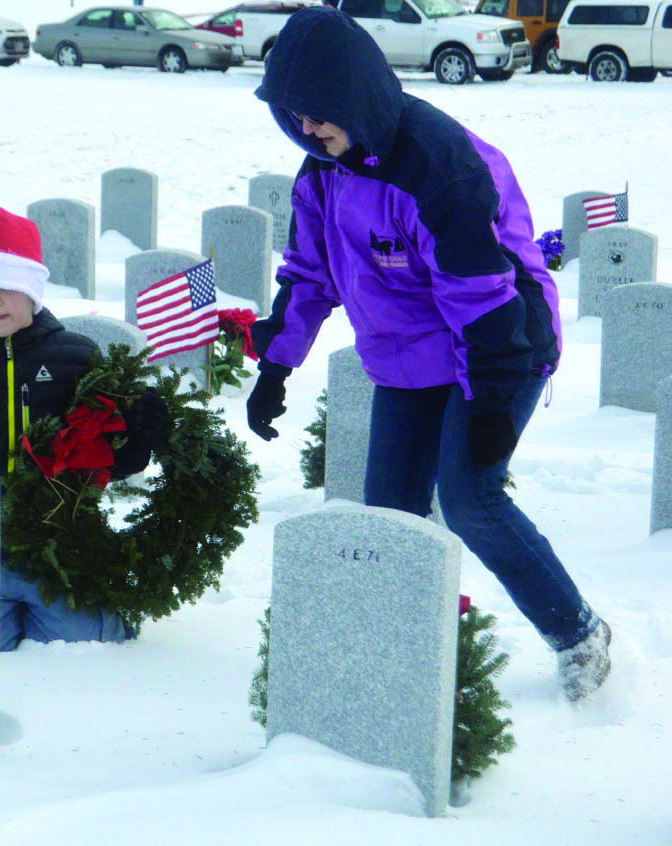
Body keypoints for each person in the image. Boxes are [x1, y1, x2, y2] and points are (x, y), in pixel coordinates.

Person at [245, 7, 610, 701]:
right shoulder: (320, 171)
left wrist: (496, 401)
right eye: (290, 113)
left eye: (316, 111)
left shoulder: (438, 167)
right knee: (389, 520)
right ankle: (395, 657)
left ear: (354, 95)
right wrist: (276, 365)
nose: (304, 128)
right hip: (407, 360)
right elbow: (309, 273)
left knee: (470, 498)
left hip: (499, 341)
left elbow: (482, 298)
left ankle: (579, 632)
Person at [0, 206, 167, 652]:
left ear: (31, 289)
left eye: (5, 286)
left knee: (89, 646)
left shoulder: (76, 357)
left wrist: (137, 445)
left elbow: (100, 459)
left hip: (59, 549)